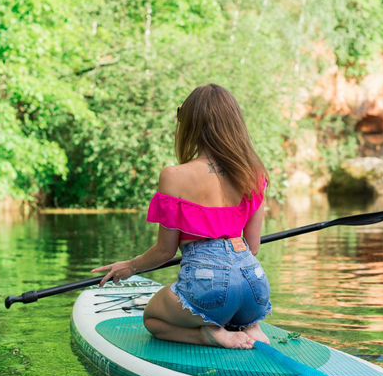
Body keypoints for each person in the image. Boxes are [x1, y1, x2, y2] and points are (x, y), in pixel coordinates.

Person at [92, 84, 270, 350]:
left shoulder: (174, 176)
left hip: (210, 290)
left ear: (189, 125)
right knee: (233, 298)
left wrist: (131, 266)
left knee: (153, 318)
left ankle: (208, 335)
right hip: (255, 287)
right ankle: (250, 325)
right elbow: (252, 247)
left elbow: (165, 251)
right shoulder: (254, 172)